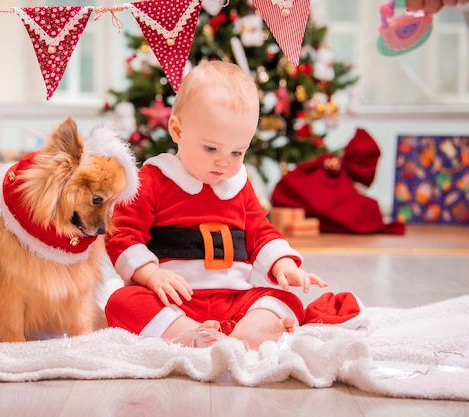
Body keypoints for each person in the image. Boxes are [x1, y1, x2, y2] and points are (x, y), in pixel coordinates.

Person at [104, 61, 330, 350]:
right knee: (122, 303)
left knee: (286, 301)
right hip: (174, 299)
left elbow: (260, 231)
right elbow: (122, 234)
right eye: (211, 148)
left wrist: (282, 263)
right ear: (177, 130)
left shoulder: (238, 185)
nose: (223, 162)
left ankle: (244, 332)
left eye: (237, 152)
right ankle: (191, 333)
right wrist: (152, 275)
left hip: (234, 300)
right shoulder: (154, 179)